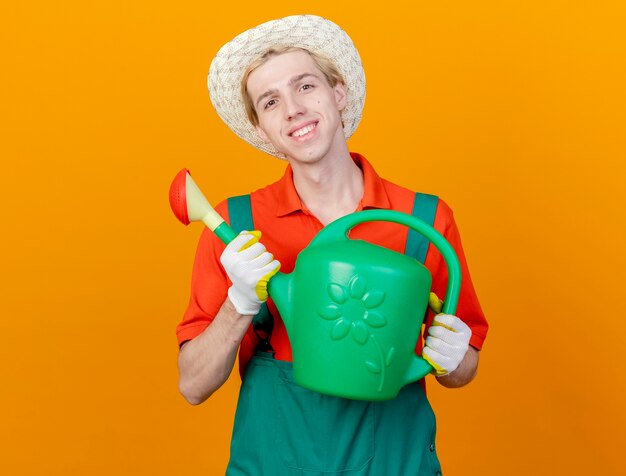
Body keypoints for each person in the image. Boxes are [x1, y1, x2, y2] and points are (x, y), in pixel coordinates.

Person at [176, 15, 489, 475]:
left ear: (338, 94)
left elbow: (463, 371)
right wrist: (237, 304)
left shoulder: (423, 221)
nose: (292, 110)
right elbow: (193, 385)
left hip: (394, 463)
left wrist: (455, 358)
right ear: (262, 128)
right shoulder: (236, 226)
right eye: (270, 101)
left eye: (305, 86)